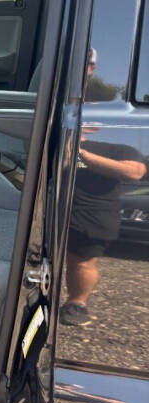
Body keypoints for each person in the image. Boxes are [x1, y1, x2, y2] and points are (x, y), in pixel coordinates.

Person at [61, 50, 147, 326]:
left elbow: (134, 172)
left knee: (81, 260)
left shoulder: (120, 139)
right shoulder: (61, 122)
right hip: (51, 200)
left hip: (92, 210)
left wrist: (81, 154)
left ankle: (76, 303)